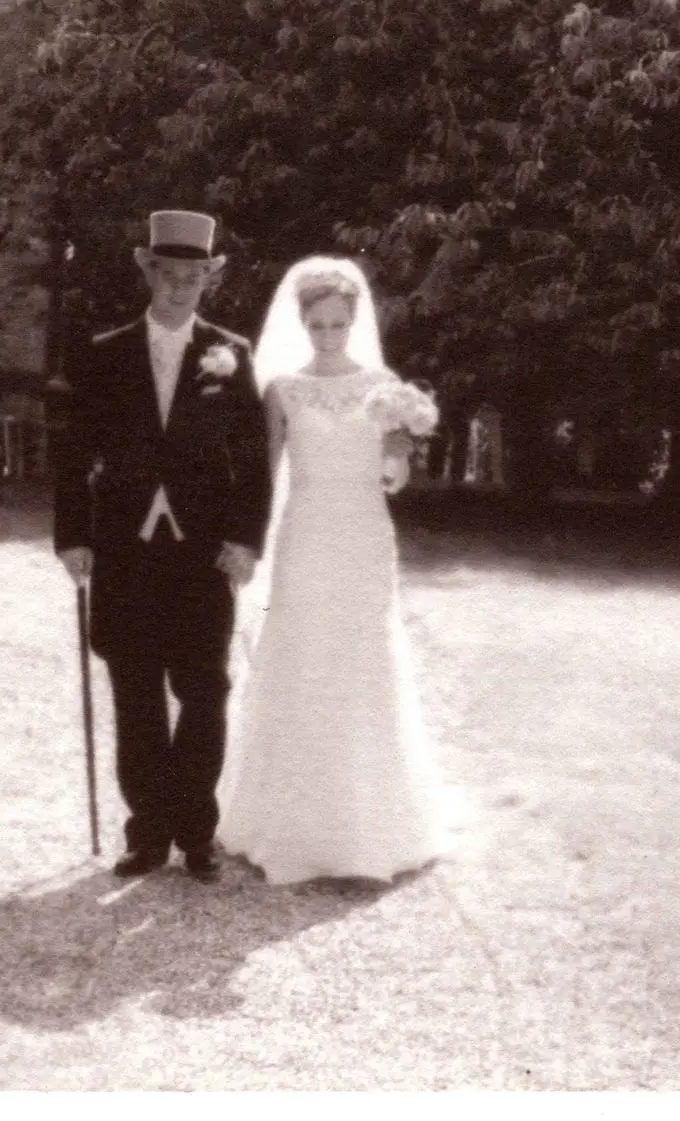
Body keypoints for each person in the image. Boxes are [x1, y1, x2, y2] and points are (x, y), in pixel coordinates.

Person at [53, 210, 273, 882]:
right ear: (148, 272)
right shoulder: (101, 353)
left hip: (203, 552)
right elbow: (72, 452)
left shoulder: (230, 353)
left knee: (204, 689)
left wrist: (245, 539)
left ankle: (195, 831)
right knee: (137, 693)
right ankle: (148, 831)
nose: (181, 287)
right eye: (169, 274)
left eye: (195, 276)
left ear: (211, 278)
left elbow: (252, 457)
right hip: (124, 549)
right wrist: (72, 536)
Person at [216, 255, 450, 885]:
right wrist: (244, 540)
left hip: (365, 537)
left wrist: (401, 447)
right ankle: (289, 822)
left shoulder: (383, 385)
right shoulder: (283, 390)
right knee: (303, 656)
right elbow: (264, 476)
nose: (326, 335)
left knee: (362, 659)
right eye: (316, 325)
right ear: (302, 324)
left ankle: (369, 827)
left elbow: (393, 478)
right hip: (305, 535)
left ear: (353, 321)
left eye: (336, 324)